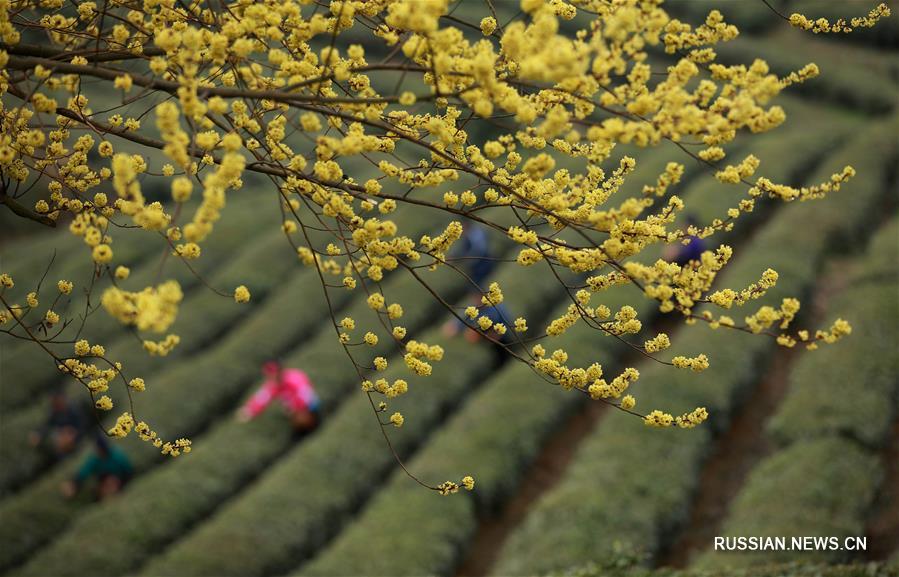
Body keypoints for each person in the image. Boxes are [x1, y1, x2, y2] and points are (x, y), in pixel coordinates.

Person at [237, 361, 320, 435]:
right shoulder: (273, 385)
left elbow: (308, 396)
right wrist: (249, 411)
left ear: (280, 372)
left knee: (302, 422)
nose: (272, 377)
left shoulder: (295, 379)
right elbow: (262, 398)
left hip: (308, 408)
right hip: (294, 411)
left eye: (274, 374)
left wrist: (302, 410)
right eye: (269, 375)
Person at [62, 435, 133, 501]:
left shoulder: (117, 456)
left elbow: (128, 470)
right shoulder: (95, 460)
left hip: (118, 479)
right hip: (104, 481)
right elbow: (83, 473)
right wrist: (74, 484)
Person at [30, 390, 84, 459]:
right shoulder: (55, 413)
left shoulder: (73, 409)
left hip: (76, 437)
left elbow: (82, 425)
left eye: (58, 402)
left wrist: (74, 433)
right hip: (63, 440)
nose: (56, 405)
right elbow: (47, 425)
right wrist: (38, 434)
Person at [451, 224, 495, 289]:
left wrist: (455, 258)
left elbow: (466, 251)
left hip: (480, 264)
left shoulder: (470, 237)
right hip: (486, 259)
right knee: (483, 284)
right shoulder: (478, 231)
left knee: (478, 285)